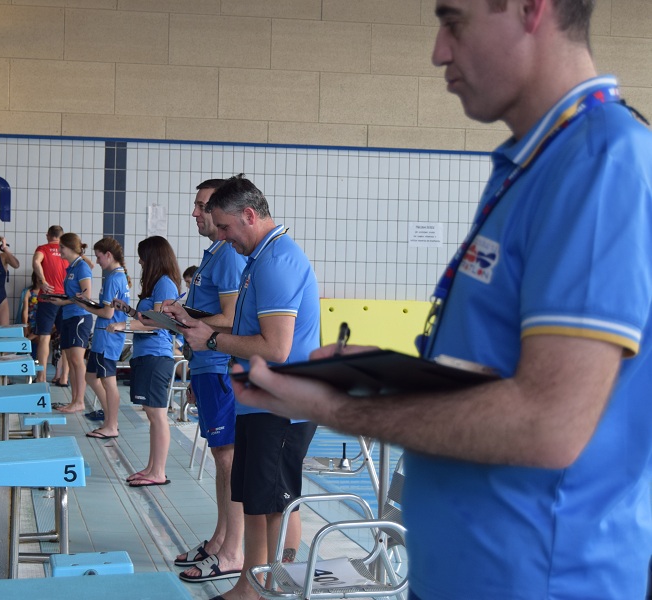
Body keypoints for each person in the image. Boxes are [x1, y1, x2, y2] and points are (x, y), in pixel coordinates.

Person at [229, 1, 652, 598]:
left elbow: (548, 425)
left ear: (531, 9)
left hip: (538, 581)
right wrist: (381, 375)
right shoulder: (532, 164)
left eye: (454, 22)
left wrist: (344, 412)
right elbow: (498, 372)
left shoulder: (600, 161)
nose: (438, 52)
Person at [165, 175, 321, 600]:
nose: (222, 236)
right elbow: (247, 327)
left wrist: (212, 341)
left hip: (283, 405)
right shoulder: (258, 259)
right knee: (255, 501)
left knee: (275, 506)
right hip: (258, 401)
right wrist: (195, 323)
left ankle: (273, 589)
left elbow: (276, 347)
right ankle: (248, 587)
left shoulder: (278, 262)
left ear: (249, 215)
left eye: (225, 227)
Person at [172, 180, 247, 584]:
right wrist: (181, 315)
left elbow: (232, 317)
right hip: (206, 365)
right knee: (221, 458)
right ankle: (220, 539)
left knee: (228, 459)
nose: (195, 213)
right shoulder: (214, 255)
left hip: (219, 366)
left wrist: (186, 319)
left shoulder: (229, 256)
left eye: (202, 206)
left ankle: (233, 551)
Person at [111, 236, 182, 487]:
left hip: (157, 355)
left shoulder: (165, 285)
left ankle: (158, 471)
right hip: (147, 354)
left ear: (153, 257)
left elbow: (160, 323)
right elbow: (149, 318)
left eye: (142, 257)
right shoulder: (157, 285)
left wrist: (125, 324)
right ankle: (152, 467)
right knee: (152, 415)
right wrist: (129, 311)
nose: (140, 261)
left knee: (157, 415)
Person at [81, 237, 131, 439]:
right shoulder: (118, 276)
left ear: (108, 255)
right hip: (105, 337)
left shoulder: (113, 279)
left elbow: (108, 313)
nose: (97, 261)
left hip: (107, 337)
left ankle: (111, 424)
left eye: (99, 257)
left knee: (109, 381)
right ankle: (110, 418)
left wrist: (84, 306)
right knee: (91, 377)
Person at [48, 233, 94, 414]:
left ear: (70, 248)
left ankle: (80, 401)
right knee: (71, 360)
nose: (59, 251)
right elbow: (74, 294)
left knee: (77, 360)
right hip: (68, 316)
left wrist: (63, 302)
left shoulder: (82, 267)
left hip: (79, 316)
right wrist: (61, 299)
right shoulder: (71, 267)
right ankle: (74, 400)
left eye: (62, 247)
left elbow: (86, 295)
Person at [32, 225, 69, 383]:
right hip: (65, 298)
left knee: (44, 338)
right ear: (61, 236)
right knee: (65, 339)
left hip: (48, 298)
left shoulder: (43, 249)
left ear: (48, 235)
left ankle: (41, 377)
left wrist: (43, 281)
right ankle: (64, 377)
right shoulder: (67, 251)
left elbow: (36, 262)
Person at [20, 270, 42, 353]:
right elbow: (25, 311)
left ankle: (26, 340)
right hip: (32, 323)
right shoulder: (29, 293)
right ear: (35, 278)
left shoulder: (47, 293)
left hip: (44, 322)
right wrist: (25, 327)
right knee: (38, 338)